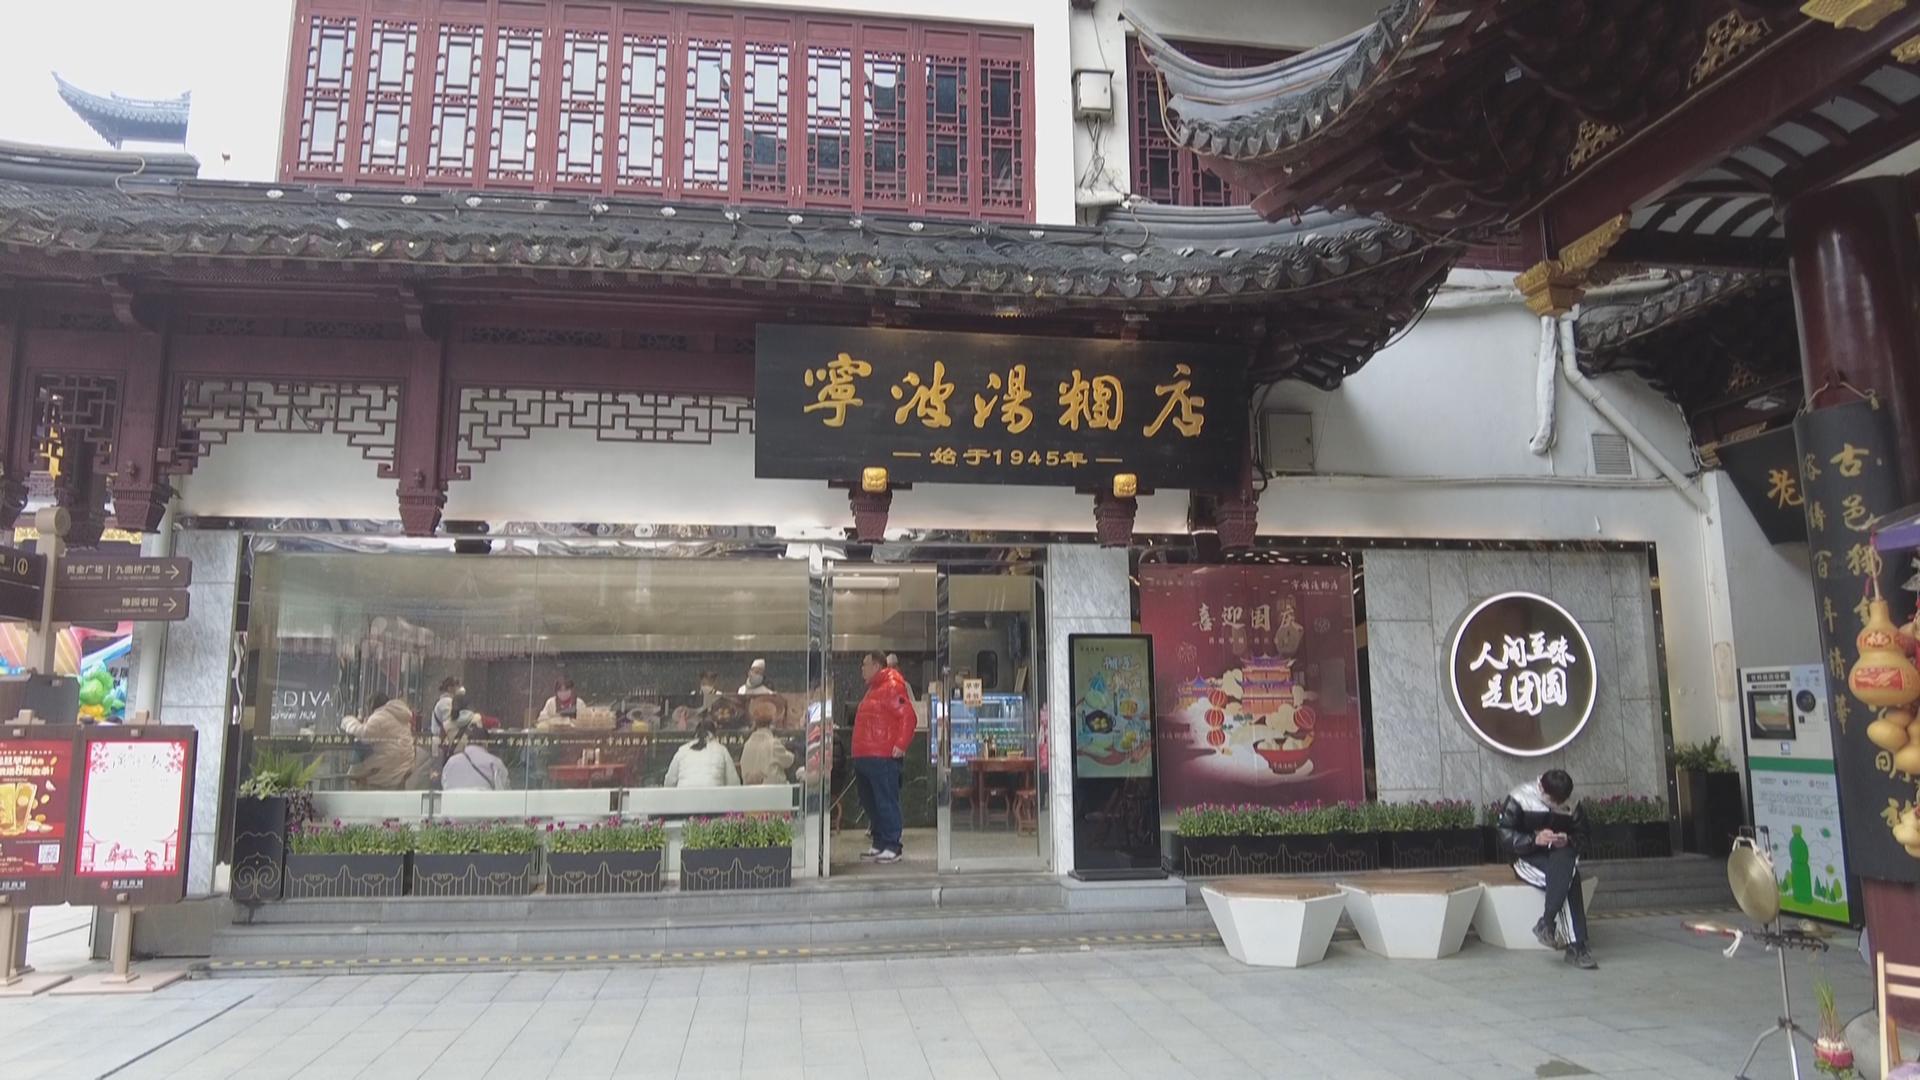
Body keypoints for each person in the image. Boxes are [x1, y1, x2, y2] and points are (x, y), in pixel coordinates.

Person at [1497, 768, 1597, 970]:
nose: (1557, 806)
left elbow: (1585, 836)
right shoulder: (1520, 797)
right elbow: (1503, 835)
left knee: (1565, 871)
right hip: (1527, 858)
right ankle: (1576, 945)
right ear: (1541, 789)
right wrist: (1534, 840)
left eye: (1561, 803)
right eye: (1552, 801)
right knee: (1569, 878)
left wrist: (1568, 839)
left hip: (1561, 856)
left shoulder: (1572, 803)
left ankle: (1548, 923)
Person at [852, 650, 915, 863]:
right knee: (870, 801)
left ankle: (892, 845)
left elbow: (908, 716)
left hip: (882, 755)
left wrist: (901, 744)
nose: (862, 669)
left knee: (885, 801)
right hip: (866, 755)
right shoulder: (873, 689)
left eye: (865, 664)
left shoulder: (892, 685)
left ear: (877, 666)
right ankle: (879, 842)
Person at [343, 693, 422, 791]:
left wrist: (348, 721)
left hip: (384, 773)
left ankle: (351, 781)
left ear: (372, 706)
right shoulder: (400, 717)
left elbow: (364, 733)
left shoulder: (381, 716)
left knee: (360, 747)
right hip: (402, 770)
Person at [441, 715, 511, 791]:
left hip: (453, 798)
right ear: (485, 743)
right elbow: (503, 790)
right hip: (484, 798)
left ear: (466, 742)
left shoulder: (451, 762)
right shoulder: (494, 762)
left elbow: (444, 785)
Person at [665, 720, 740, 788]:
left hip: (684, 795)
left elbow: (669, 782)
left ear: (696, 733)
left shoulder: (683, 750)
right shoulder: (722, 750)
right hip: (714, 796)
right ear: (715, 734)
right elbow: (733, 782)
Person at [740, 713, 795, 784]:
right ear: (771, 726)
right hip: (773, 788)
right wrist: (785, 748)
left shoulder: (747, 744)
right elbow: (788, 761)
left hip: (750, 789)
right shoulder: (773, 743)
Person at [430, 677, 463, 754]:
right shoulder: (447, 702)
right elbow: (449, 724)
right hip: (444, 743)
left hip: (442, 742)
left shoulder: (444, 701)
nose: (458, 689)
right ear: (450, 688)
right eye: (457, 686)